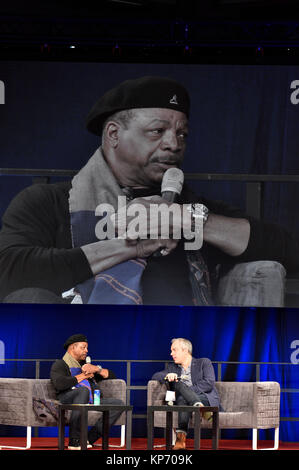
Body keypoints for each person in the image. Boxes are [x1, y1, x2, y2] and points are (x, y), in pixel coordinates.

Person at [0, 75, 299, 305]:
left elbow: (286, 250)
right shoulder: (50, 202)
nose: (174, 143)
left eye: (182, 133)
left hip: (178, 351)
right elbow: (9, 272)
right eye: (158, 131)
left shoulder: (190, 208)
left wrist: (189, 221)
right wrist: (132, 245)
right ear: (114, 134)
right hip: (80, 351)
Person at [50, 333, 124, 450]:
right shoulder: (60, 364)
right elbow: (60, 384)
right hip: (67, 398)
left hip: (90, 399)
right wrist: (83, 376)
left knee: (118, 404)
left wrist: (96, 369)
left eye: (87, 348)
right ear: (73, 347)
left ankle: (88, 438)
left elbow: (112, 376)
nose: (86, 351)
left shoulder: (85, 366)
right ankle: (74, 440)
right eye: (83, 347)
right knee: (83, 391)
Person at [152, 337, 220, 450]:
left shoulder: (203, 362)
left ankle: (180, 440)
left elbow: (209, 383)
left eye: (174, 350)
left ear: (185, 350)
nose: (171, 353)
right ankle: (198, 406)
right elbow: (155, 376)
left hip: (204, 397)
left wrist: (186, 391)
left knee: (181, 391)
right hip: (184, 401)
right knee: (181, 395)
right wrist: (167, 376)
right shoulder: (173, 367)